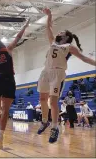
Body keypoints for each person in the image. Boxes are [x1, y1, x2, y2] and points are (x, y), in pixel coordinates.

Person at [37, 8, 96, 143]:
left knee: (52, 101)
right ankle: (45, 121)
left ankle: (55, 127)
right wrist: (49, 15)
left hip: (58, 73)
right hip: (45, 71)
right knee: (42, 99)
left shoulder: (69, 46)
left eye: (62, 32)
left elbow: (84, 58)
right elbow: (49, 27)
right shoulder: (52, 42)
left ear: (66, 37)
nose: (59, 33)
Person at [0, 18, 30, 149]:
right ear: (1, 44)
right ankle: (0, 135)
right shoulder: (8, 49)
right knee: (5, 110)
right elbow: (18, 37)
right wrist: (25, 26)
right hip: (8, 79)